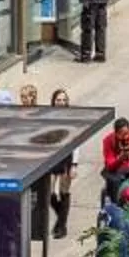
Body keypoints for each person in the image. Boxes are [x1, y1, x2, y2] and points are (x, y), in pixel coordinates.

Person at [47, 90, 76, 236]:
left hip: (67, 158)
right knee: (49, 193)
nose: (61, 102)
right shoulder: (49, 117)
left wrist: (74, 164)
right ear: (53, 101)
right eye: (58, 100)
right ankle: (61, 220)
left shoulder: (71, 118)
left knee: (64, 192)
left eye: (64, 100)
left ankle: (61, 227)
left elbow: (76, 142)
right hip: (52, 158)